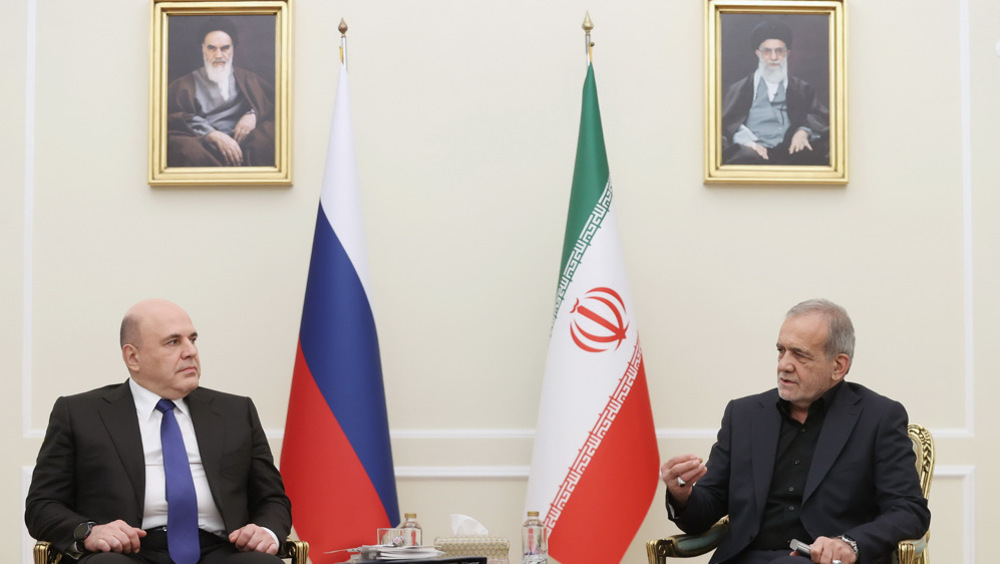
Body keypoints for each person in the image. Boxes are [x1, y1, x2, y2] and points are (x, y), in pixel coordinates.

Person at [660, 299, 930, 564]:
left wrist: (849, 544)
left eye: (799, 354)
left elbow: (909, 511)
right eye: (781, 351)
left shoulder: (878, 417)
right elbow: (706, 510)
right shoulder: (744, 415)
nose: (784, 364)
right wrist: (682, 495)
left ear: (838, 366)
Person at [25, 299, 292, 563]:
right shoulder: (80, 413)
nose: (190, 352)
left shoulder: (236, 411)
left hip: (221, 549)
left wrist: (265, 531)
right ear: (133, 357)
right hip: (124, 552)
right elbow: (42, 505)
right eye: (173, 342)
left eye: (193, 339)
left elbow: (272, 499)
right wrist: (90, 531)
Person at [167, 17, 275, 167]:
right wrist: (212, 135)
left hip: (244, 141)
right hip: (204, 142)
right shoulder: (182, 85)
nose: (218, 55)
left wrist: (252, 115)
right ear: (202, 48)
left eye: (225, 48)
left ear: (232, 49)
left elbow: (271, 103)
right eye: (212, 48)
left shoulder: (248, 79)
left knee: (269, 137)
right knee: (187, 149)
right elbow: (175, 118)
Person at [721, 21, 829, 165]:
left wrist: (803, 131)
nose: (773, 57)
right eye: (767, 51)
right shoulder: (740, 88)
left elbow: (819, 116)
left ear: (787, 54)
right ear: (758, 53)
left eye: (779, 51)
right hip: (753, 152)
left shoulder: (802, 88)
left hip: (792, 150)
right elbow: (727, 124)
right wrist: (748, 142)